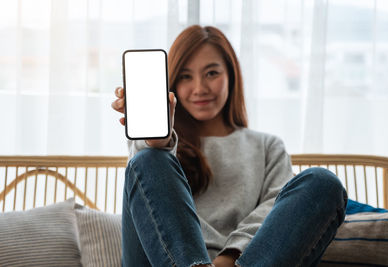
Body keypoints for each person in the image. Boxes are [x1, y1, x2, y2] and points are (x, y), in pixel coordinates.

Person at [112, 25, 348, 267]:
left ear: (231, 76)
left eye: (211, 73)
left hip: (244, 262)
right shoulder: (159, 146)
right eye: (185, 76)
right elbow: (148, 199)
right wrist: (159, 144)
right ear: (172, 83)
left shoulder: (267, 147)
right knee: (148, 160)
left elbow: (273, 213)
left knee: (322, 182)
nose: (199, 88)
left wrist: (227, 259)